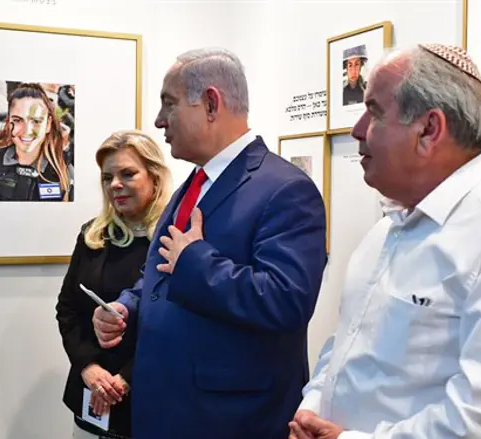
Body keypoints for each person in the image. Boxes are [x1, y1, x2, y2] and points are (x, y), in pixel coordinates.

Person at [289, 44, 481, 439]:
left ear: (428, 130)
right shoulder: (387, 229)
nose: (357, 130)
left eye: (374, 113)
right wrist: (312, 408)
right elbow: (347, 345)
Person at [92, 48, 328, 439]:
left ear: (211, 104)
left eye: (169, 103)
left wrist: (196, 261)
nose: (159, 120)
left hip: (228, 420)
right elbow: (162, 272)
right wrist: (126, 307)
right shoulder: (193, 185)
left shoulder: (286, 189)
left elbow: (286, 301)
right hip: (167, 409)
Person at [56, 130, 172, 439]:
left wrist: (124, 379)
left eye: (127, 174)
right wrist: (88, 368)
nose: (115, 185)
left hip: (150, 398)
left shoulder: (174, 240)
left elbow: (176, 326)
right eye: (107, 178)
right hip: (90, 396)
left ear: (155, 177)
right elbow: (67, 310)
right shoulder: (93, 235)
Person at [0, 82, 73, 202]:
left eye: (36, 121)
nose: (27, 131)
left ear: (48, 124)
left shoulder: (63, 163)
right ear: (8, 122)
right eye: (18, 120)